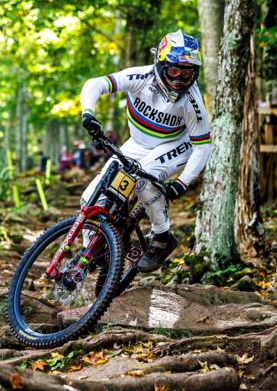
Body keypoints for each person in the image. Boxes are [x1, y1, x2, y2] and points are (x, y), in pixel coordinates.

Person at [77, 30, 212, 272]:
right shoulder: (140, 76)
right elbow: (95, 84)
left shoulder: (192, 101)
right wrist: (88, 113)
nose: (180, 79)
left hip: (176, 144)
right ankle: (93, 251)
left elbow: (202, 146)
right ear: (161, 65)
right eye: (174, 71)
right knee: (90, 198)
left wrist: (182, 182)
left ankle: (162, 237)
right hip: (137, 144)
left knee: (143, 179)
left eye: (188, 73)